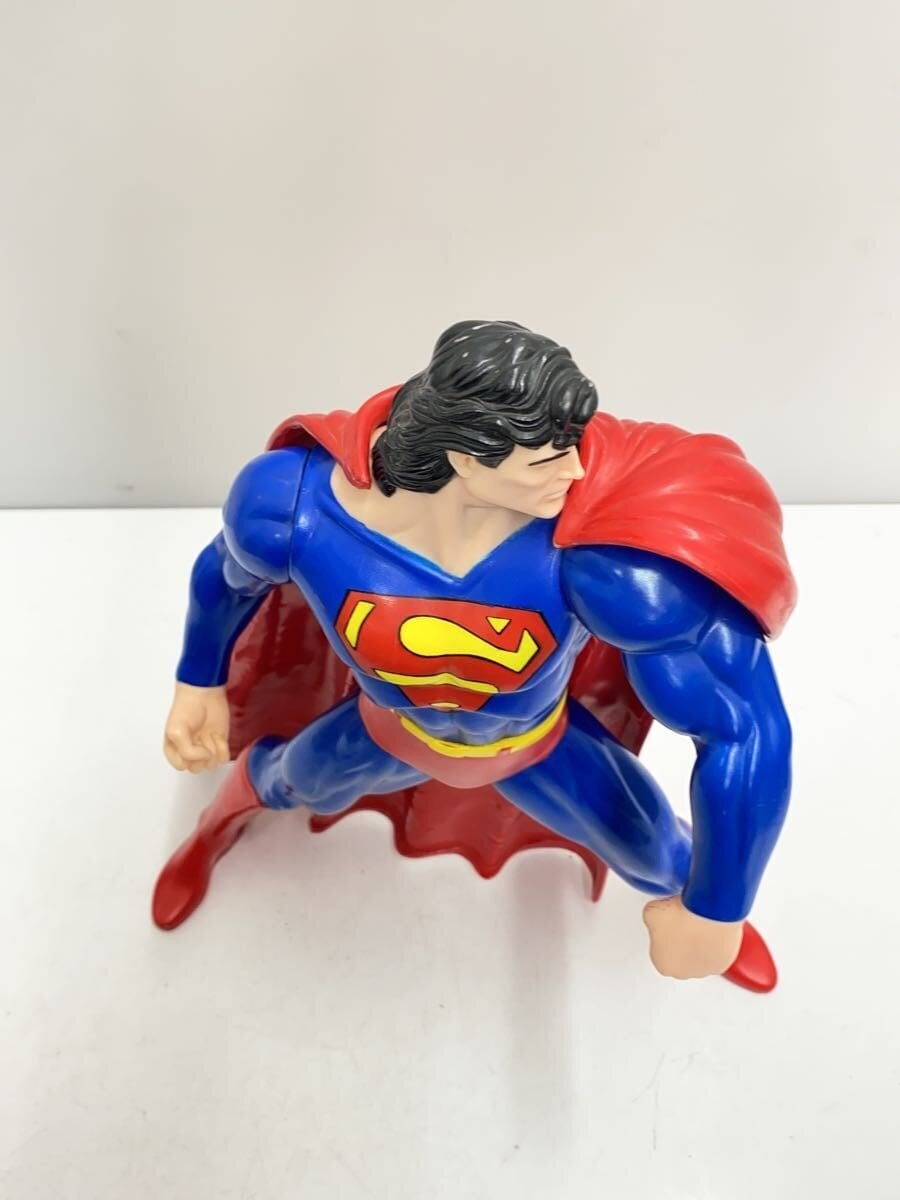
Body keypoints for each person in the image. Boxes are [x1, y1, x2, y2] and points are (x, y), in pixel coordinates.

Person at [155, 320, 795, 990]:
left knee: (658, 852)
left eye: (572, 447)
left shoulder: (599, 563)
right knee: (284, 781)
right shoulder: (293, 513)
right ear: (466, 459)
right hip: (386, 731)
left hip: (538, 746)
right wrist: (197, 681)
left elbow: (743, 728)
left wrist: (717, 910)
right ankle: (209, 831)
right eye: (547, 460)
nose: (577, 471)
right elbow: (225, 576)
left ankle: (715, 922)